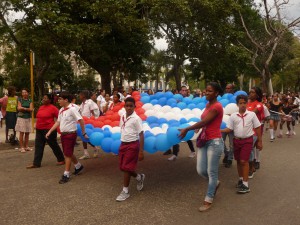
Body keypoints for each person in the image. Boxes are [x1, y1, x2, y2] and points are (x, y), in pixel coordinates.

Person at [179, 82, 224, 212]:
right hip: (204, 140)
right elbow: (205, 123)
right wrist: (200, 129)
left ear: (216, 93)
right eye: (206, 90)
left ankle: (208, 199)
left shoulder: (217, 106)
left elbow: (205, 121)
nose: (206, 92)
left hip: (214, 142)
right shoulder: (208, 104)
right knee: (200, 170)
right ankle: (214, 183)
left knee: (211, 171)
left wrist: (187, 128)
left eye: (210, 91)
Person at [221, 95, 262, 194]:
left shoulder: (252, 114)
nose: (243, 105)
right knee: (239, 161)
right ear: (237, 104)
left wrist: (260, 141)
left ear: (247, 103)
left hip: (248, 140)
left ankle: (246, 184)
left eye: (244, 103)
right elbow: (229, 129)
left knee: (244, 161)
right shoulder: (233, 116)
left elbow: (257, 128)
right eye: (240, 103)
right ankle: (241, 179)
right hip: (236, 141)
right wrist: (219, 130)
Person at [46, 92, 86, 184]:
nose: (58, 101)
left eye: (60, 99)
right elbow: (58, 122)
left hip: (70, 134)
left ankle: (66, 174)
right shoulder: (61, 110)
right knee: (68, 152)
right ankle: (78, 166)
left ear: (66, 100)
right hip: (64, 134)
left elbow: (81, 120)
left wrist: (84, 133)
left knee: (67, 154)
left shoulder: (72, 109)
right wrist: (50, 131)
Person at [116, 97, 145, 201]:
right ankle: (139, 177)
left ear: (134, 107)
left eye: (131, 106)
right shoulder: (123, 116)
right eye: (127, 106)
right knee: (123, 167)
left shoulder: (136, 119)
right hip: (123, 144)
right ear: (124, 106)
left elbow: (141, 134)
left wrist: (141, 151)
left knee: (126, 168)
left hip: (133, 145)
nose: (128, 108)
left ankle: (125, 191)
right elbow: (123, 129)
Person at [26, 94, 65, 168]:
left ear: (50, 100)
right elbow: (39, 117)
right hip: (39, 129)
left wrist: (60, 128)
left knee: (53, 145)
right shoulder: (41, 107)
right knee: (38, 146)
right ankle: (36, 163)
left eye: (45, 98)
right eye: (43, 98)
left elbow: (60, 118)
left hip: (49, 129)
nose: (43, 99)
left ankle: (61, 159)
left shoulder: (53, 108)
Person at [167, 85, 196, 160]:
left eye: (185, 90)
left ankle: (192, 151)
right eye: (182, 90)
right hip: (177, 119)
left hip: (185, 120)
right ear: (180, 91)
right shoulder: (176, 99)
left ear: (187, 92)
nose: (184, 92)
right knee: (174, 134)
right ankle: (175, 154)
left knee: (187, 136)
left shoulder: (189, 99)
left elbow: (191, 109)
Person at [247, 87, 264, 176]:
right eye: (250, 92)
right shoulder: (246, 103)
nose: (250, 93)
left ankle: (252, 167)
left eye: (253, 92)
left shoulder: (259, 104)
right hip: (245, 130)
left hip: (254, 131)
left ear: (257, 95)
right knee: (249, 149)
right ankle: (251, 165)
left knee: (250, 149)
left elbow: (252, 113)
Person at [79, 90, 99, 159]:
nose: (79, 96)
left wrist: (93, 121)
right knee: (83, 137)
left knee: (87, 137)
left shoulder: (89, 102)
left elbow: (93, 113)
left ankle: (95, 148)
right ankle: (86, 153)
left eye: (80, 95)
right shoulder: (81, 104)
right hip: (83, 122)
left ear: (84, 96)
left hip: (90, 123)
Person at [15, 88, 34, 152]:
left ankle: (26, 146)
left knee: (27, 133)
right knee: (22, 132)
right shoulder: (20, 99)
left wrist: (23, 108)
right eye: (23, 92)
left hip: (28, 118)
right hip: (21, 118)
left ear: (28, 93)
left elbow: (31, 109)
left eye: (25, 92)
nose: (24, 93)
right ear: (21, 94)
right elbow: (19, 108)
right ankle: (21, 147)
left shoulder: (30, 100)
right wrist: (26, 109)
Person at [222, 83, 235, 168]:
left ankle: (230, 158)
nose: (227, 90)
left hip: (233, 124)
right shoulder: (222, 98)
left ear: (232, 89)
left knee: (232, 143)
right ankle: (226, 153)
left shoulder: (235, 98)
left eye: (229, 88)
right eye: (226, 88)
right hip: (223, 124)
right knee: (220, 141)